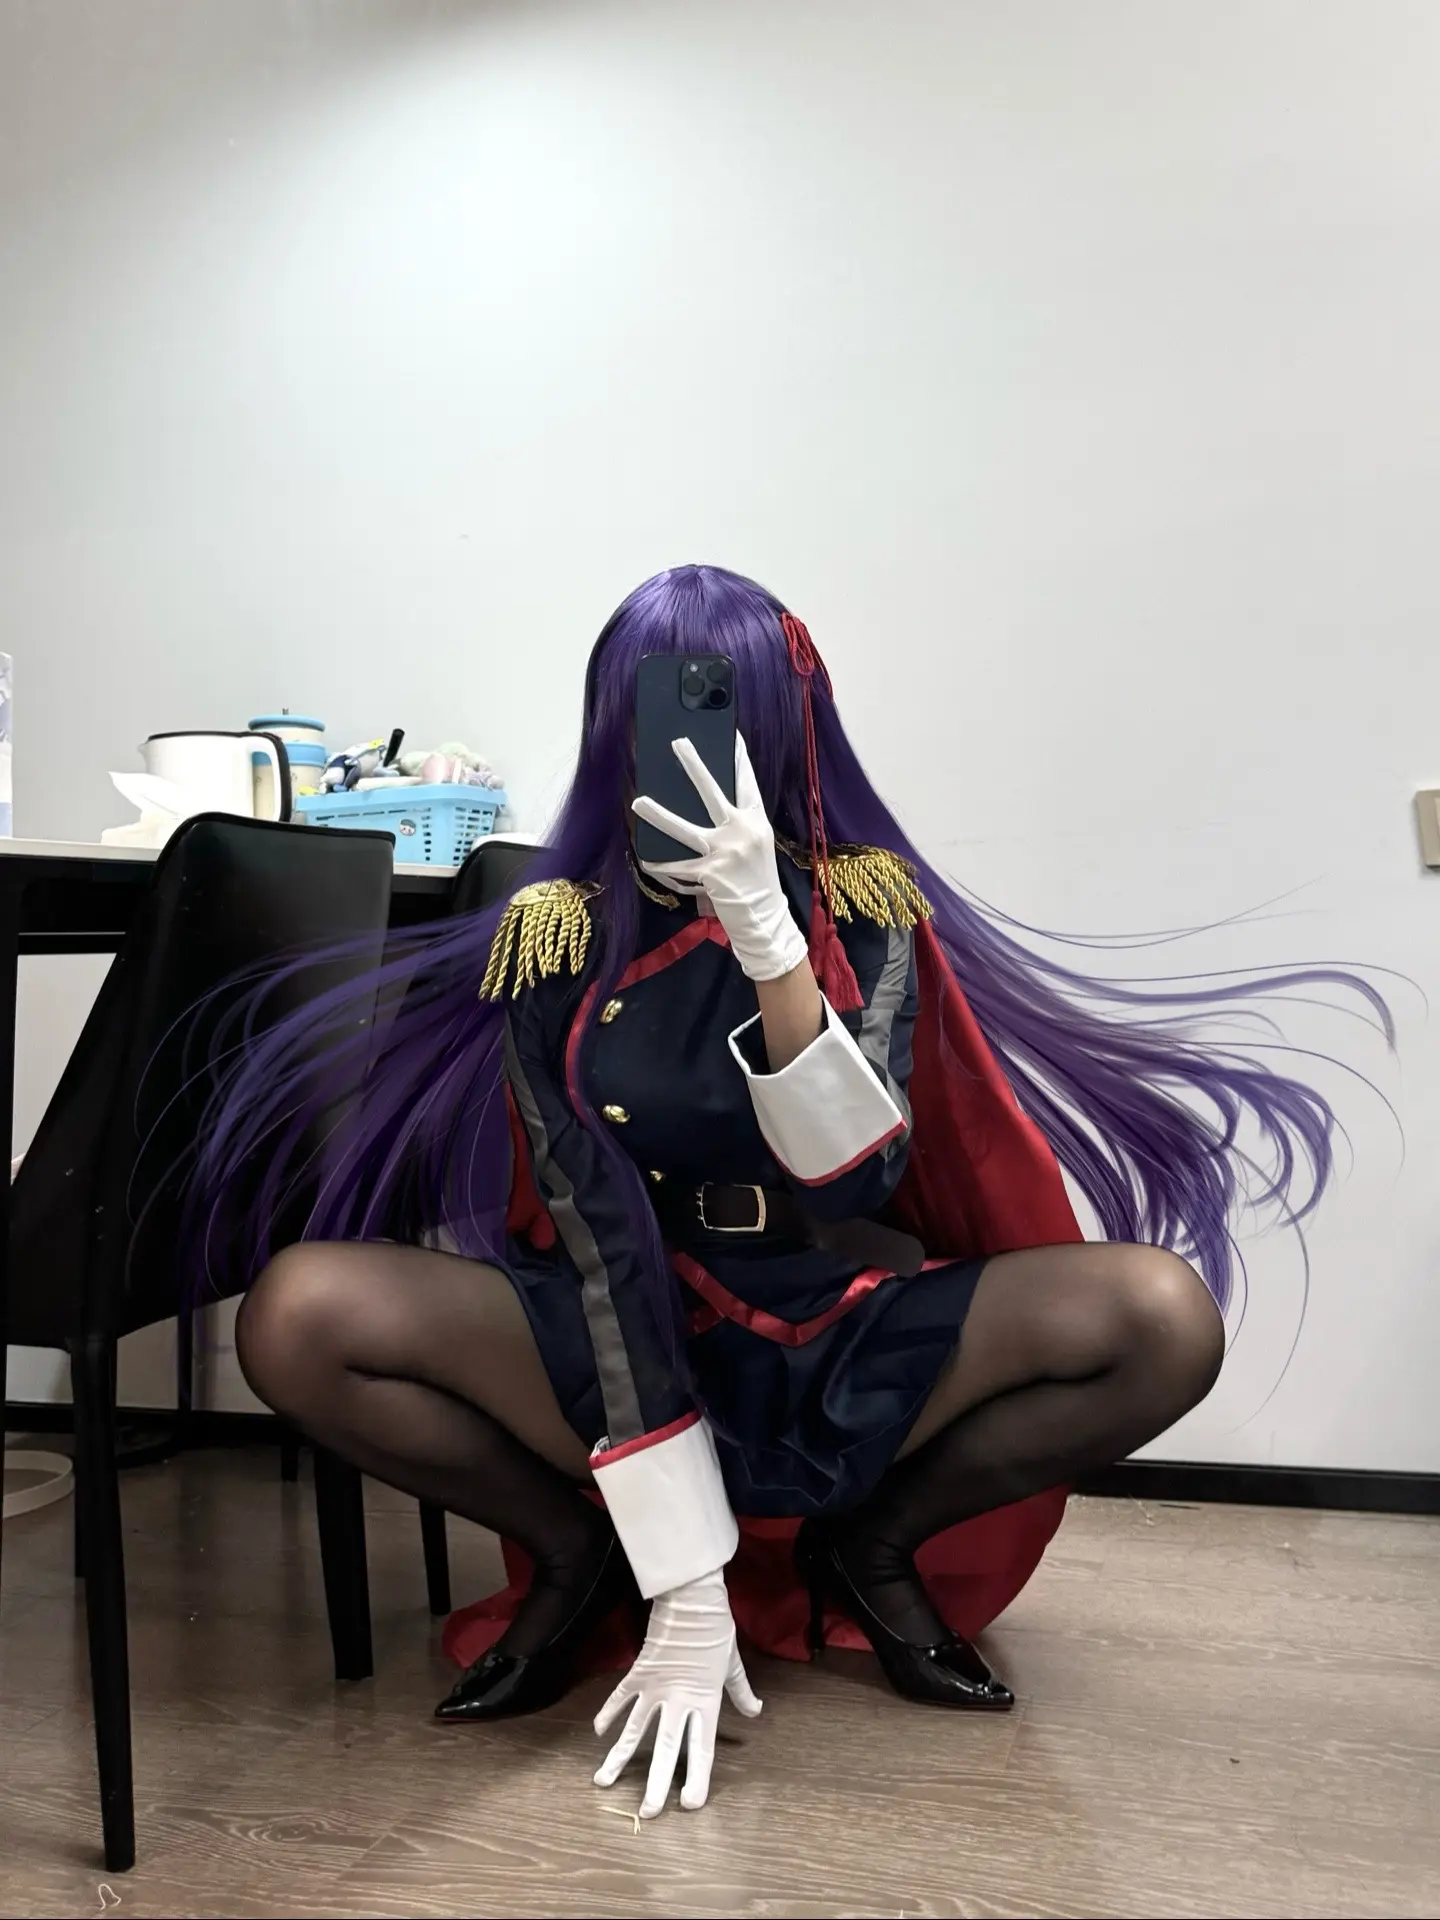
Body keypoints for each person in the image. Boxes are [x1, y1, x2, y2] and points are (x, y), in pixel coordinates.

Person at [196, 565, 1385, 1822]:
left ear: (776, 722)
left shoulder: (863, 907)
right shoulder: (554, 937)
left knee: (1159, 1316)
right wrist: (681, 1577)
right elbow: (596, 1230)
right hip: (619, 1313)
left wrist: (773, 945)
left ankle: (872, 1548)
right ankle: (578, 1551)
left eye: (718, 714)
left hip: (824, 1308)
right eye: (653, 714)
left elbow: (859, 1173)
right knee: (302, 1311)